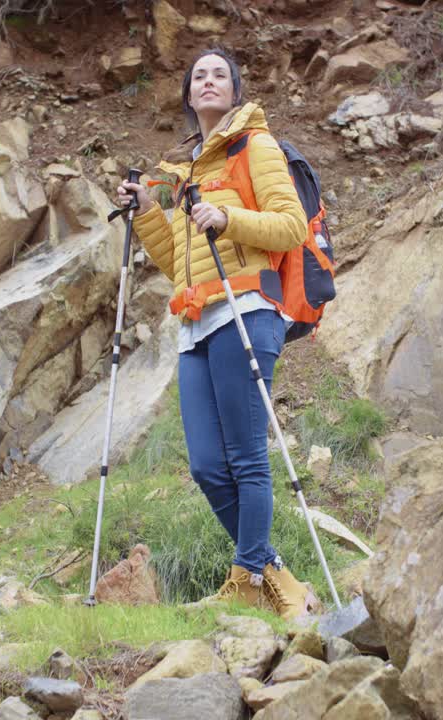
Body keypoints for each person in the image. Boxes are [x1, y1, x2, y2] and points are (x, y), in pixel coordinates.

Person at [115, 48, 317, 620]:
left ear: (233, 91)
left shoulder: (257, 147)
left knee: (247, 458)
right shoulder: (186, 170)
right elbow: (177, 260)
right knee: (206, 464)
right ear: (188, 92)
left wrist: (229, 219)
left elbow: (291, 226)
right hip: (196, 322)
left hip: (247, 309)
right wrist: (149, 212)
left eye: (219, 75)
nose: (208, 82)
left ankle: (248, 577)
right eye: (198, 75)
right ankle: (275, 576)